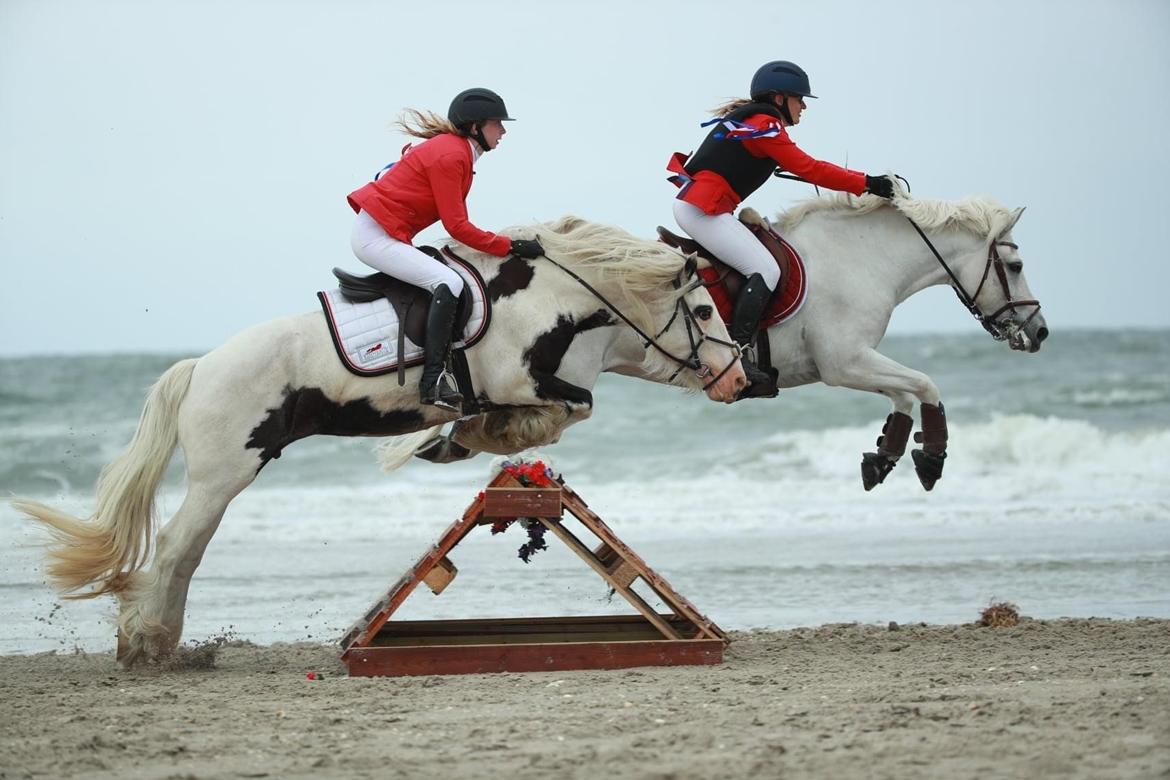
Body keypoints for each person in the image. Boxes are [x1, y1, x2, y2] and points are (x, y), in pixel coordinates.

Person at [667, 61, 896, 398]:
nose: (803, 106)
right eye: (798, 99)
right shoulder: (765, 125)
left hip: (702, 207)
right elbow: (810, 167)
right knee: (766, 269)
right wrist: (867, 183)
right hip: (703, 210)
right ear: (778, 98)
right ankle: (740, 356)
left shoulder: (755, 122)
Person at [347, 88, 544, 411]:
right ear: (476, 126)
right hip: (376, 239)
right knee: (449, 282)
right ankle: (432, 381)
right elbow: (457, 227)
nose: (504, 131)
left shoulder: (455, 152)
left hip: (385, 234)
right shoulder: (452, 154)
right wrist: (511, 246)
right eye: (498, 123)